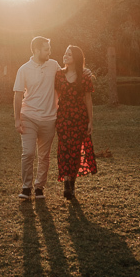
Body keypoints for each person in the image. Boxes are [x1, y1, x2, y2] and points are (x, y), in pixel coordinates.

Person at [13, 36, 60, 201]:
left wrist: (84, 71)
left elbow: (68, 76)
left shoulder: (54, 65)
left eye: (49, 49)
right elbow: (18, 95)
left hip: (49, 118)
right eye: (46, 49)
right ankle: (26, 187)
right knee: (28, 153)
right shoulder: (24, 69)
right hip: (29, 116)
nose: (49, 52)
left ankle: (39, 187)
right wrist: (17, 119)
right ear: (36, 50)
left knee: (44, 156)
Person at [55, 44, 97, 200]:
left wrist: (90, 121)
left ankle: (72, 182)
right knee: (64, 149)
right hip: (63, 118)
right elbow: (57, 96)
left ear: (76, 59)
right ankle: (66, 181)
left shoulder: (85, 76)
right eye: (65, 53)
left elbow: (88, 99)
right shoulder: (59, 75)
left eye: (69, 54)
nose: (65, 56)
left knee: (75, 151)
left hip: (79, 118)